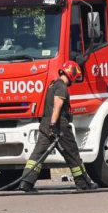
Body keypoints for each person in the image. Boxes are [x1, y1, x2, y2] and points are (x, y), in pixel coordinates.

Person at [16, 61, 97, 192]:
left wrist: (49, 124)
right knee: (72, 153)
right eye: (75, 77)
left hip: (45, 124)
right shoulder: (62, 87)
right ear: (72, 73)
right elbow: (57, 106)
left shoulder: (52, 85)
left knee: (37, 154)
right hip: (59, 125)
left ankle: (26, 183)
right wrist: (54, 125)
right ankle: (82, 183)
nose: (74, 81)